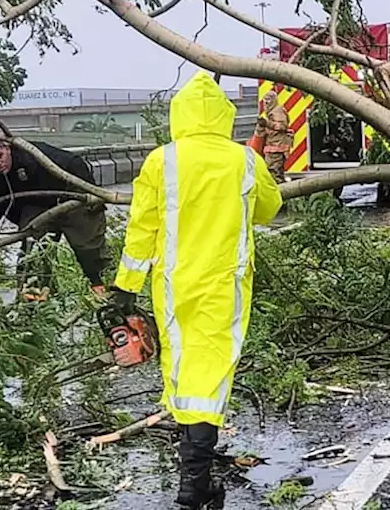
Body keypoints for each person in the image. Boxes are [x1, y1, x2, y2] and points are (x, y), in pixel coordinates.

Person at [111, 71, 282, 508]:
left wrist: (125, 288)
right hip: (225, 284)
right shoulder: (244, 161)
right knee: (210, 374)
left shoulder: (161, 160)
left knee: (184, 370)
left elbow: (141, 228)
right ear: (224, 116)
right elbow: (267, 208)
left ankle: (195, 474)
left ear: (179, 115)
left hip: (173, 285)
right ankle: (195, 483)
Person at [0, 137, 109, 301]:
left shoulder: (35, 153)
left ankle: (102, 285)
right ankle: (35, 294)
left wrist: (90, 194)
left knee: (88, 246)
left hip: (71, 198)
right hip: (37, 206)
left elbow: (74, 163)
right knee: (33, 248)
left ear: (8, 149)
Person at [257, 90, 291, 182]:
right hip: (273, 147)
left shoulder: (277, 111)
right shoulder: (271, 112)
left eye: (268, 100)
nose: (266, 103)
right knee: (274, 172)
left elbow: (282, 126)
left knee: (274, 173)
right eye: (265, 100)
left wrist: (267, 123)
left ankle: (279, 192)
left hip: (277, 147)